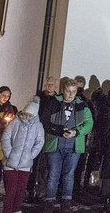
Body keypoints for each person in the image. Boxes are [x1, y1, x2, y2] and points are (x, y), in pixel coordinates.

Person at [40, 78, 94, 209]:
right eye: (68, 91)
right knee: (53, 173)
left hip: (74, 146)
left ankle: (66, 200)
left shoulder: (82, 105)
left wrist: (77, 132)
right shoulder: (53, 103)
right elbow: (45, 121)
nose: (70, 94)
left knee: (69, 174)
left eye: (73, 91)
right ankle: (50, 199)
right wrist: (59, 131)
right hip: (55, 143)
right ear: (63, 90)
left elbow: (89, 123)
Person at [1, 97, 44, 213]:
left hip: (25, 164)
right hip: (10, 162)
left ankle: (16, 210)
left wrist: (30, 155)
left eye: (31, 115)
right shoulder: (15, 122)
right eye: (26, 114)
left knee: (20, 190)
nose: (28, 117)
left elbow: (39, 143)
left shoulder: (38, 126)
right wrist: (9, 153)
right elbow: (6, 137)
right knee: (11, 190)